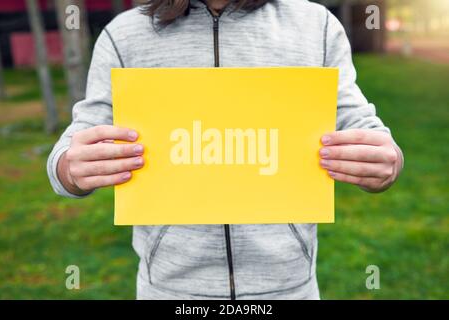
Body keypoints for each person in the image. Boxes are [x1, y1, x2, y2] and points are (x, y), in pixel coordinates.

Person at [47, 0, 404, 299]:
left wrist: (386, 161)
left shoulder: (316, 26)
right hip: (169, 292)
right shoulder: (124, 34)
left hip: (288, 289)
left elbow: (362, 124)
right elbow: (76, 142)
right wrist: (69, 169)